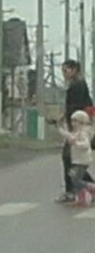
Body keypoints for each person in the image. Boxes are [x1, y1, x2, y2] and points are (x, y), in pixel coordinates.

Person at [55, 59, 94, 203]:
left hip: (79, 127)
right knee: (72, 159)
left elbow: (76, 107)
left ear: (74, 70)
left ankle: (72, 190)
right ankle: (83, 187)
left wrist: (71, 121)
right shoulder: (77, 83)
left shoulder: (77, 85)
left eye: (66, 71)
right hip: (79, 125)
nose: (64, 74)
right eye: (62, 71)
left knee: (70, 158)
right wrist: (64, 116)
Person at [58, 110, 94, 206]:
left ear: (81, 122)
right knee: (73, 176)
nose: (72, 123)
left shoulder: (83, 133)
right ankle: (81, 198)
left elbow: (86, 145)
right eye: (72, 121)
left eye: (75, 121)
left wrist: (76, 143)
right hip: (77, 160)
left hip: (83, 160)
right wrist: (60, 125)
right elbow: (66, 134)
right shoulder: (76, 132)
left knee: (76, 180)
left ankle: (92, 188)